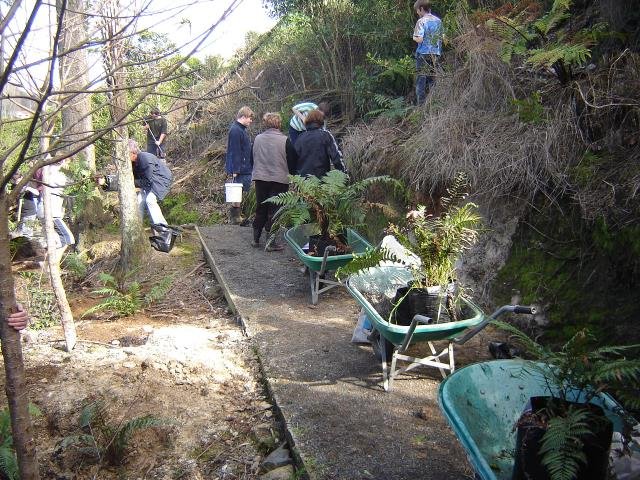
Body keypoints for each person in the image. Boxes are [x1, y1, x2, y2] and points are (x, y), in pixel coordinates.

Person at [251, 112, 298, 251]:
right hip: (279, 180)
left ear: (266, 124)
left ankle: (255, 239)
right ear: (278, 124)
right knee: (275, 210)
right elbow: (292, 161)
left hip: (260, 178)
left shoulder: (257, 139)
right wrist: (293, 176)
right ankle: (270, 242)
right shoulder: (285, 140)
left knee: (261, 207)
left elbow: (252, 157)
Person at [129, 139, 172, 228]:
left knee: (150, 200)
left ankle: (163, 228)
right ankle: (137, 227)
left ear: (133, 152)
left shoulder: (144, 159)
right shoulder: (134, 162)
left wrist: (132, 182)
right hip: (150, 181)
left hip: (160, 180)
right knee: (139, 200)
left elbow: (147, 180)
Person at [294, 109, 346, 178]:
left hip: (303, 183)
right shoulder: (326, 135)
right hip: (322, 180)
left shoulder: (300, 137)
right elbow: (337, 157)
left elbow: (293, 159)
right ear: (321, 121)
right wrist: (343, 176)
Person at [225, 106, 254, 225]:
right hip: (240, 168)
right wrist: (236, 169)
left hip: (244, 166)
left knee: (239, 192)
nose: (251, 121)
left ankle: (237, 217)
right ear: (243, 117)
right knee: (237, 192)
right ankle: (235, 219)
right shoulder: (236, 130)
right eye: (249, 118)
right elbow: (235, 151)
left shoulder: (240, 129)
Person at [412, 0, 443, 105]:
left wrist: (414, 37)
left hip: (423, 54)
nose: (417, 13)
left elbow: (419, 39)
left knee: (421, 79)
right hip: (435, 53)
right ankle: (434, 103)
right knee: (432, 79)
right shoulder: (438, 21)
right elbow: (441, 38)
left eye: (417, 10)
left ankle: (421, 106)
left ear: (421, 9)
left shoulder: (421, 22)